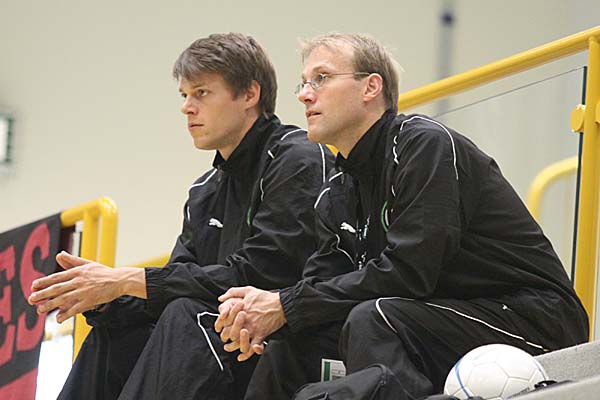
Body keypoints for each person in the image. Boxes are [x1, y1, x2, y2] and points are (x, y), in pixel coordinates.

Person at [215, 33, 589, 399]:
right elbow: (322, 286)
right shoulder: (335, 191)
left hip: (532, 318)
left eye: (322, 78)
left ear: (370, 87)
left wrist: (287, 304)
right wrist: (264, 314)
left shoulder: (423, 145)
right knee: (290, 345)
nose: (304, 94)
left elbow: (410, 273)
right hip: (431, 317)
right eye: (304, 83)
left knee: (373, 318)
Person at [28, 33, 334, 400]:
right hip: (221, 343)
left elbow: (263, 275)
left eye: (201, 93)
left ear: (249, 94)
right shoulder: (205, 189)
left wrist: (126, 279)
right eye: (184, 95)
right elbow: (176, 281)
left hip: (281, 342)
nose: (187, 107)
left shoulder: (297, 157)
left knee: (185, 314)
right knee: (116, 331)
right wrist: (104, 297)